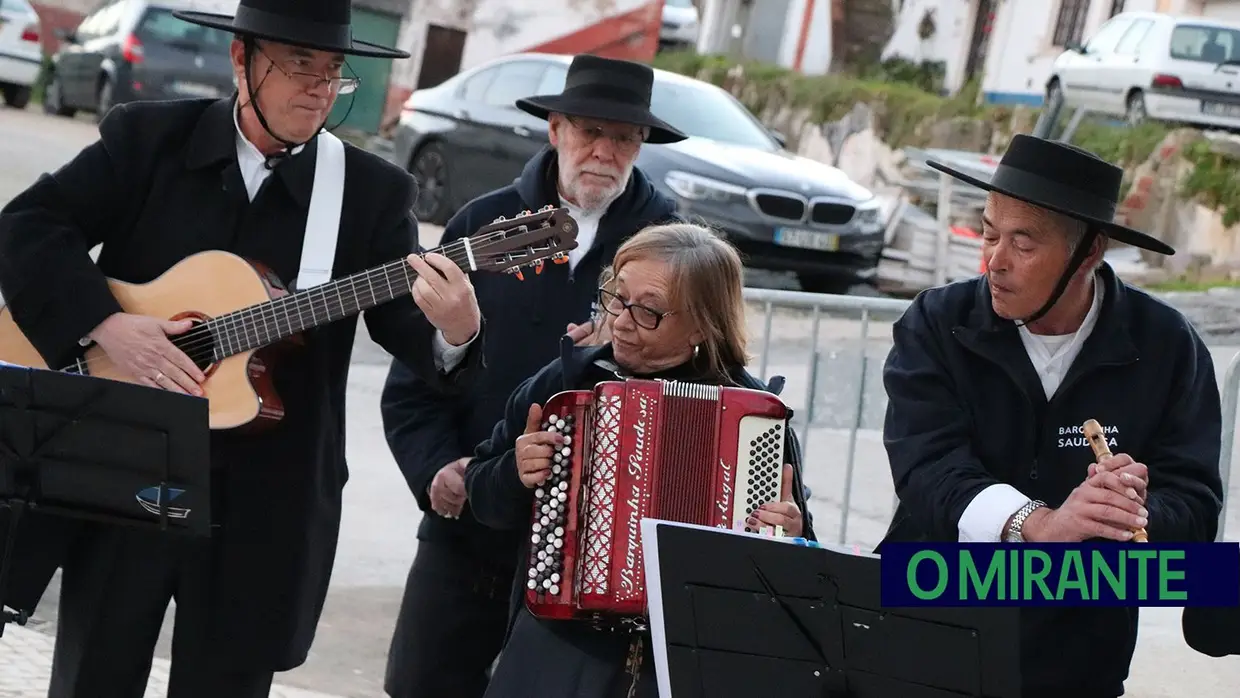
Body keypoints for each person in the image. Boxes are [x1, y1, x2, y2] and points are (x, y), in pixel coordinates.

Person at [0, 1, 485, 696]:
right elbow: (28, 226)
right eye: (298, 64)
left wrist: (458, 329)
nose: (319, 86)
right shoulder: (149, 140)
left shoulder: (370, 192)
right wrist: (108, 325)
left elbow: (410, 331)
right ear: (241, 61)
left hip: (266, 506)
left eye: (333, 71)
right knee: (92, 678)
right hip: (128, 473)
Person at [379, 54, 686, 697]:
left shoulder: (677, 248)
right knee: (420, 685)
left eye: (624, 137)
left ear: (641, 145)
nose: (604, 150)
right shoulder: (479, 225)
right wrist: (435, 465)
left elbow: (701, 383)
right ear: (555, 130)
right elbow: (415, 378)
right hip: (466, 528)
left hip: (593, 548)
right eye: (588, 130)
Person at [879, 134, 1224, 697]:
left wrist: (1129, 512)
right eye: (989, 234)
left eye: (1023, 243)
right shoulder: (937, 324)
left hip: (1079, 657)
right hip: (931, 629)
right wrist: (1039, 525)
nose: (995, 262)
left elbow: (1195, 508)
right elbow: (927, 470)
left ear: (1089, 252)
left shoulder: (1167, 346)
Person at [462, 222, 816, 698]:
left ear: (702, 322)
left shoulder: (756, 419)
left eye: (649, 311)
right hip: (561, 650)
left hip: (685, 665)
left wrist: (790, 536)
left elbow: (803, 573)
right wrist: (514, 473)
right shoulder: (568, 384)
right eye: (617, 297)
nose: (623, 321)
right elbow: (483, 497)